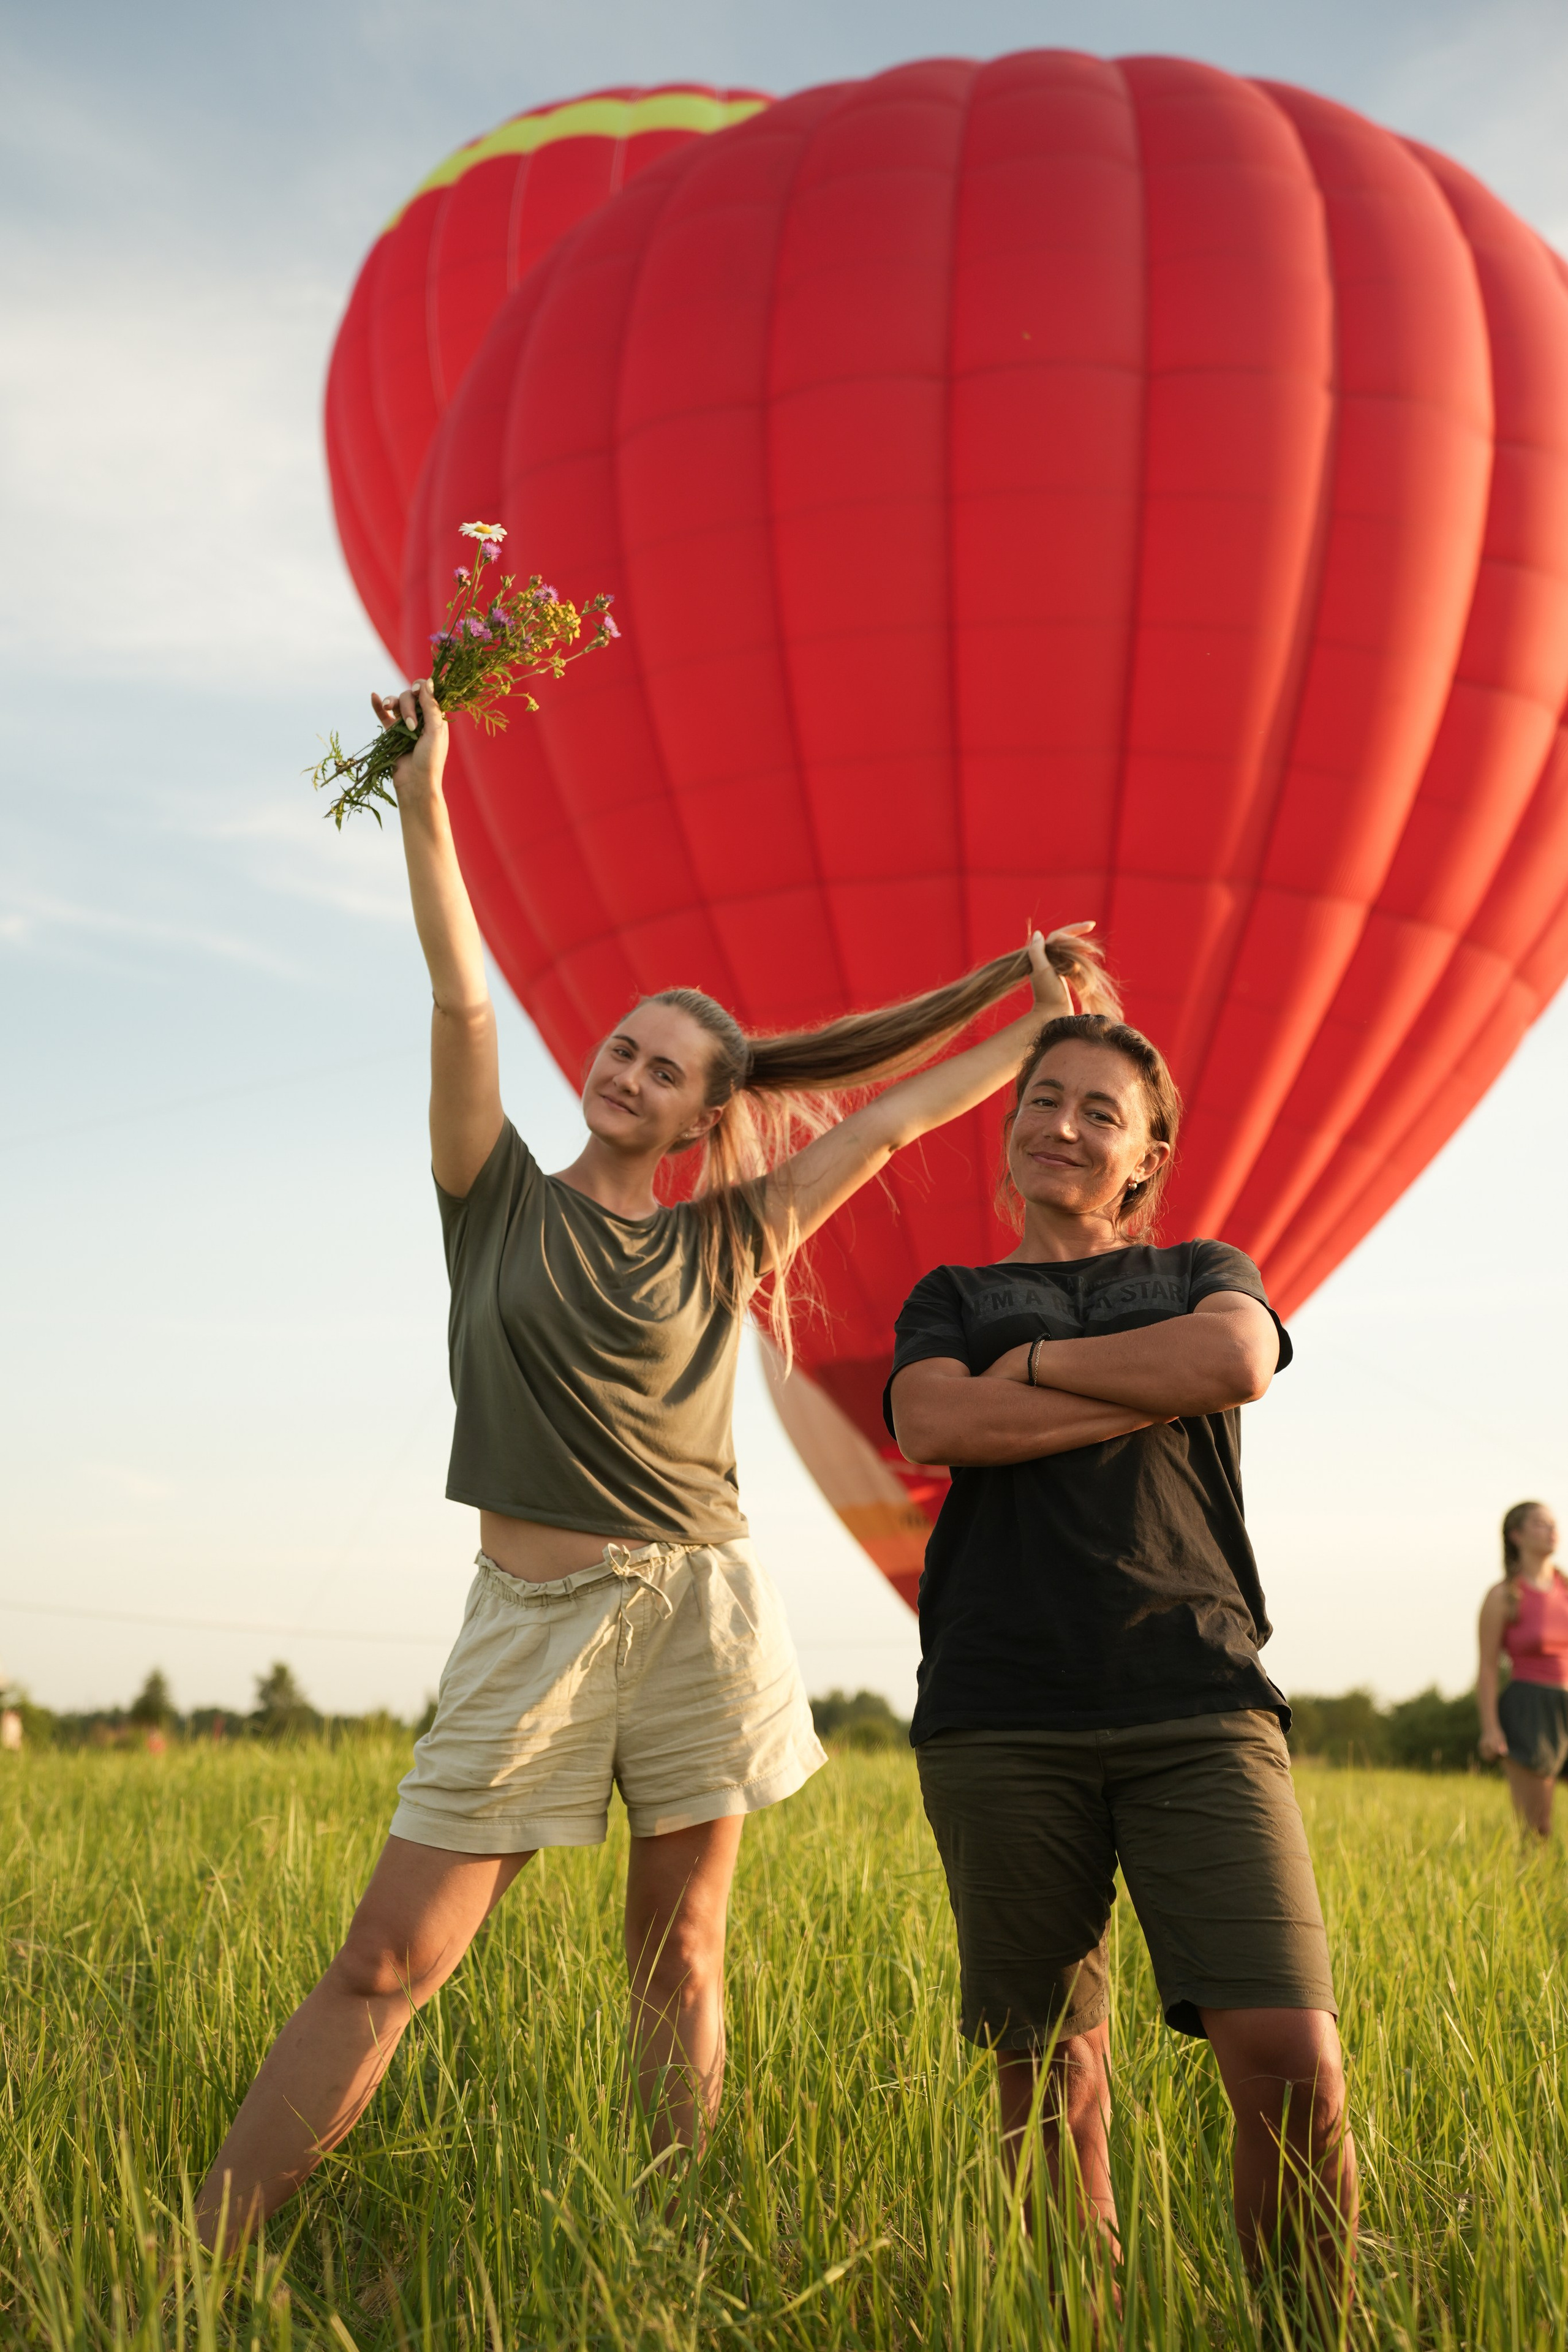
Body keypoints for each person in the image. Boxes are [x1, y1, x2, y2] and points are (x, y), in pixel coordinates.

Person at [195, 674, 1110, 2250]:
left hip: (703, 1610)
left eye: (663, 1070)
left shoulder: (726, 1234)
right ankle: (198, 2256)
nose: (627, 1071)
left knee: (680, 1953)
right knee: (388, 1960)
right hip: (532, 1624)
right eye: (621, 1048)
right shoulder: (492, 1193)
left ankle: (666, 2249)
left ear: (698, 1120)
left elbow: (886, 1125)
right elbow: (463, 1006)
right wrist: (424, 802)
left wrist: (1037, 1031)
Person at [885, 1007, 1358, 2294]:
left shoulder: (1202, 1267)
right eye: (1043, 1098)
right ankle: (1076, 2319)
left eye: (1101, 1111)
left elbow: (1235, 1359)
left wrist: (1031, 1369)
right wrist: (1137, 1389)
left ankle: (1301, 2327)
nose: (1064, 1125)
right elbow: (933, 1423)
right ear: (1009, 1122)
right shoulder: (952, 1297)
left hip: (1196, 1692)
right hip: (1000, 1707)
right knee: (1050, 2073)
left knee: (1291, 2058)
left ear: (1147, 1156)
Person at [1478, 1501, 1568, 1836]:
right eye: (1540, 1524)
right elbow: (1488, 1669)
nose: (1552, 1529)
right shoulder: (1503, 1596)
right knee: (1537, 1829)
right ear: (1516, 1535)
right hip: (1529, 1709)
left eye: (1553, 1523)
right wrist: (1491, 1729)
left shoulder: (1566, 1590)